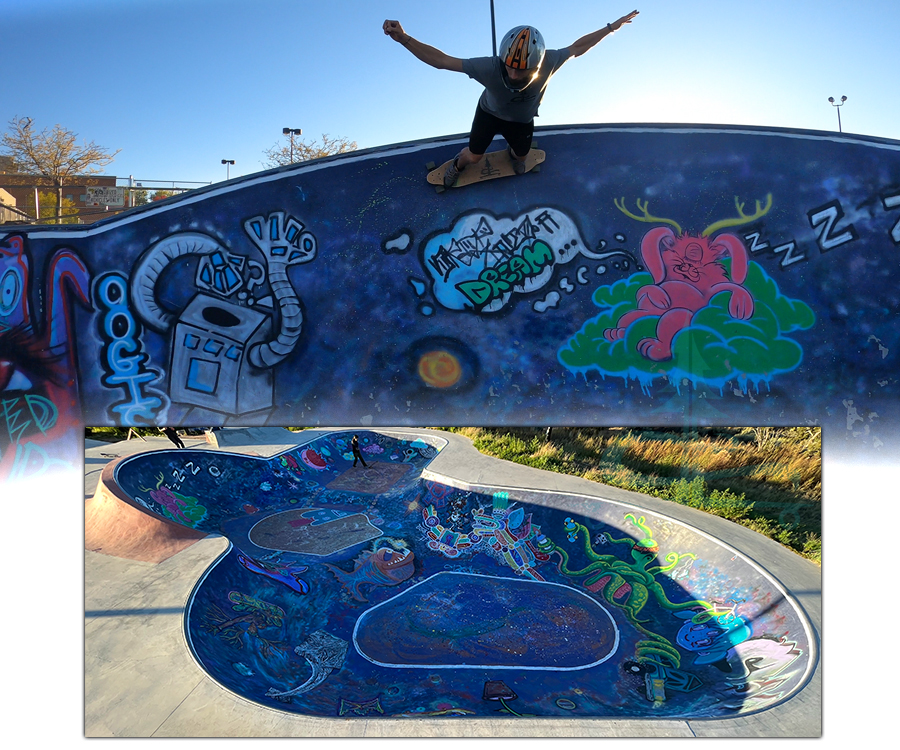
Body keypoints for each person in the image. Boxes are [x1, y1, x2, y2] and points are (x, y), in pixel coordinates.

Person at [383, 10, 639, 187]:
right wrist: (404, 38)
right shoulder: (490, 67)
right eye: (509, 66)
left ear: (537, 64)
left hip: (521, 121)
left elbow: (578, 47)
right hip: (489, 115)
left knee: (520, 157)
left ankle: (513, 152)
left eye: (522, 69)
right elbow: (441, 61)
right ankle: (458, 164)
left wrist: (611, 27)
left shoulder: (550, 60)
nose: (514, 74)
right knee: (474, 157)